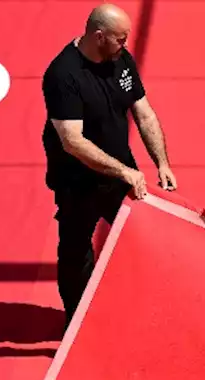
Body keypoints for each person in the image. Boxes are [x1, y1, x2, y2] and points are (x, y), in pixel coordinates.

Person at [41, 3, 177, 324]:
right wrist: (124, 170)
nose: (125, 45)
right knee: (76, 251)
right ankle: (79, 324)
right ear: (98, 36)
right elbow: (72, 140)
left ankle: (135, 311)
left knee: (143, 242)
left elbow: (143, 113)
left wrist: (162, 163)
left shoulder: (121, 61)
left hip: (119, 172)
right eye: (120, 39)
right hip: (77, 180)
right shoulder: (63, 75)